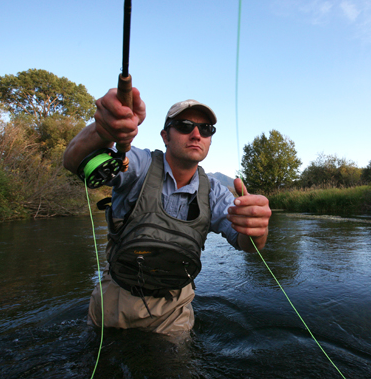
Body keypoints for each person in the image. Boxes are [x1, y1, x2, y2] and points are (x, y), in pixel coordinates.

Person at [63, 87, 272, 335]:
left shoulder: (215, 192)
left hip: (174, 309)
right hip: (115, 299)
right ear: (165, 136)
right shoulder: (138, 165)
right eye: (184, 126)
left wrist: (257, 230)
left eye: (205, 129)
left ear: (210, 139)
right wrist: (103, 131)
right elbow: (73, 160)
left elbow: (247, 245)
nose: (196, 134)